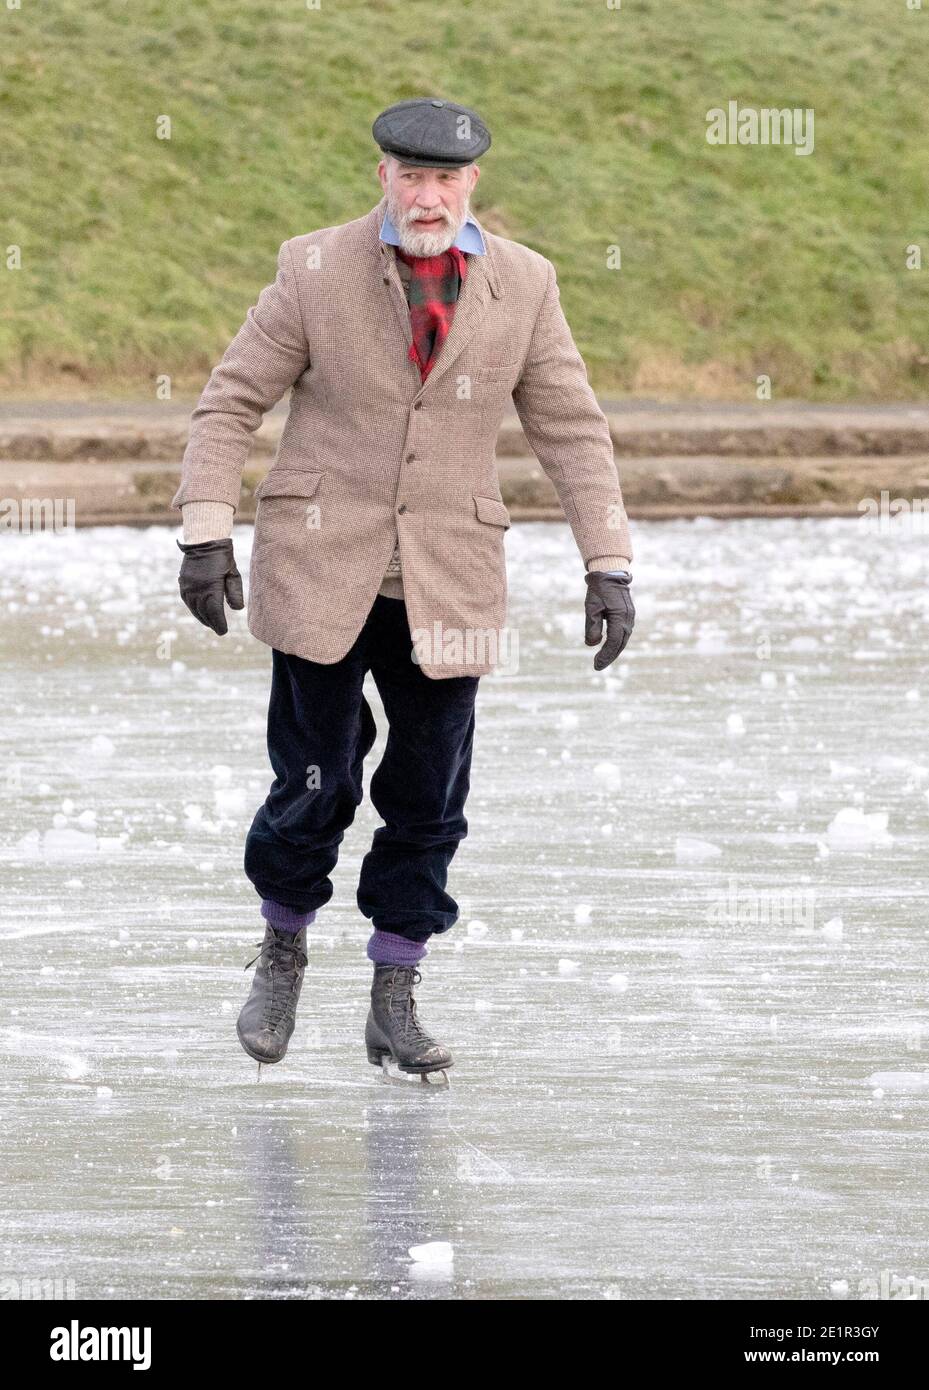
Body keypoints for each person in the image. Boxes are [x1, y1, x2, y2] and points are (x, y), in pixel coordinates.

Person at [172, 97, 635, 1081]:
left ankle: (395, 988)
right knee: (316, 782)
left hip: (450, 579)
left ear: (472, 186)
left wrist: (608, 562)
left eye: (445, 179)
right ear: (380, 175)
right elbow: (229, 402)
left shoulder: (526, 284)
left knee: (428, 796)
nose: (426, 195)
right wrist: (204, 535)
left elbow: (570, 429)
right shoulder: (311, 268)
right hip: (318, 565)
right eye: (408, 176)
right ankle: (283, 945)